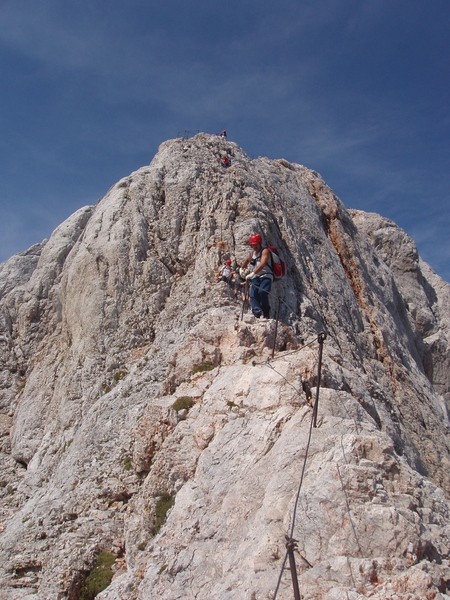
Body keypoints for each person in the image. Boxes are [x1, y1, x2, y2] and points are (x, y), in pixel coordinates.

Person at [240, 233, 272, 318]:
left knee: (262, 292)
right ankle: (257, 312)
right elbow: (246, 261)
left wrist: (253, 273)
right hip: (256, 277)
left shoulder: (265, 251)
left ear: (259, 243)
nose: (254, 247)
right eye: (252, 245)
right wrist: (241, 269)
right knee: (253, 295)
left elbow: (262, 264)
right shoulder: (252, 254)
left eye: (255, 245)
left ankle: (266, 312)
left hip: (266, 275)